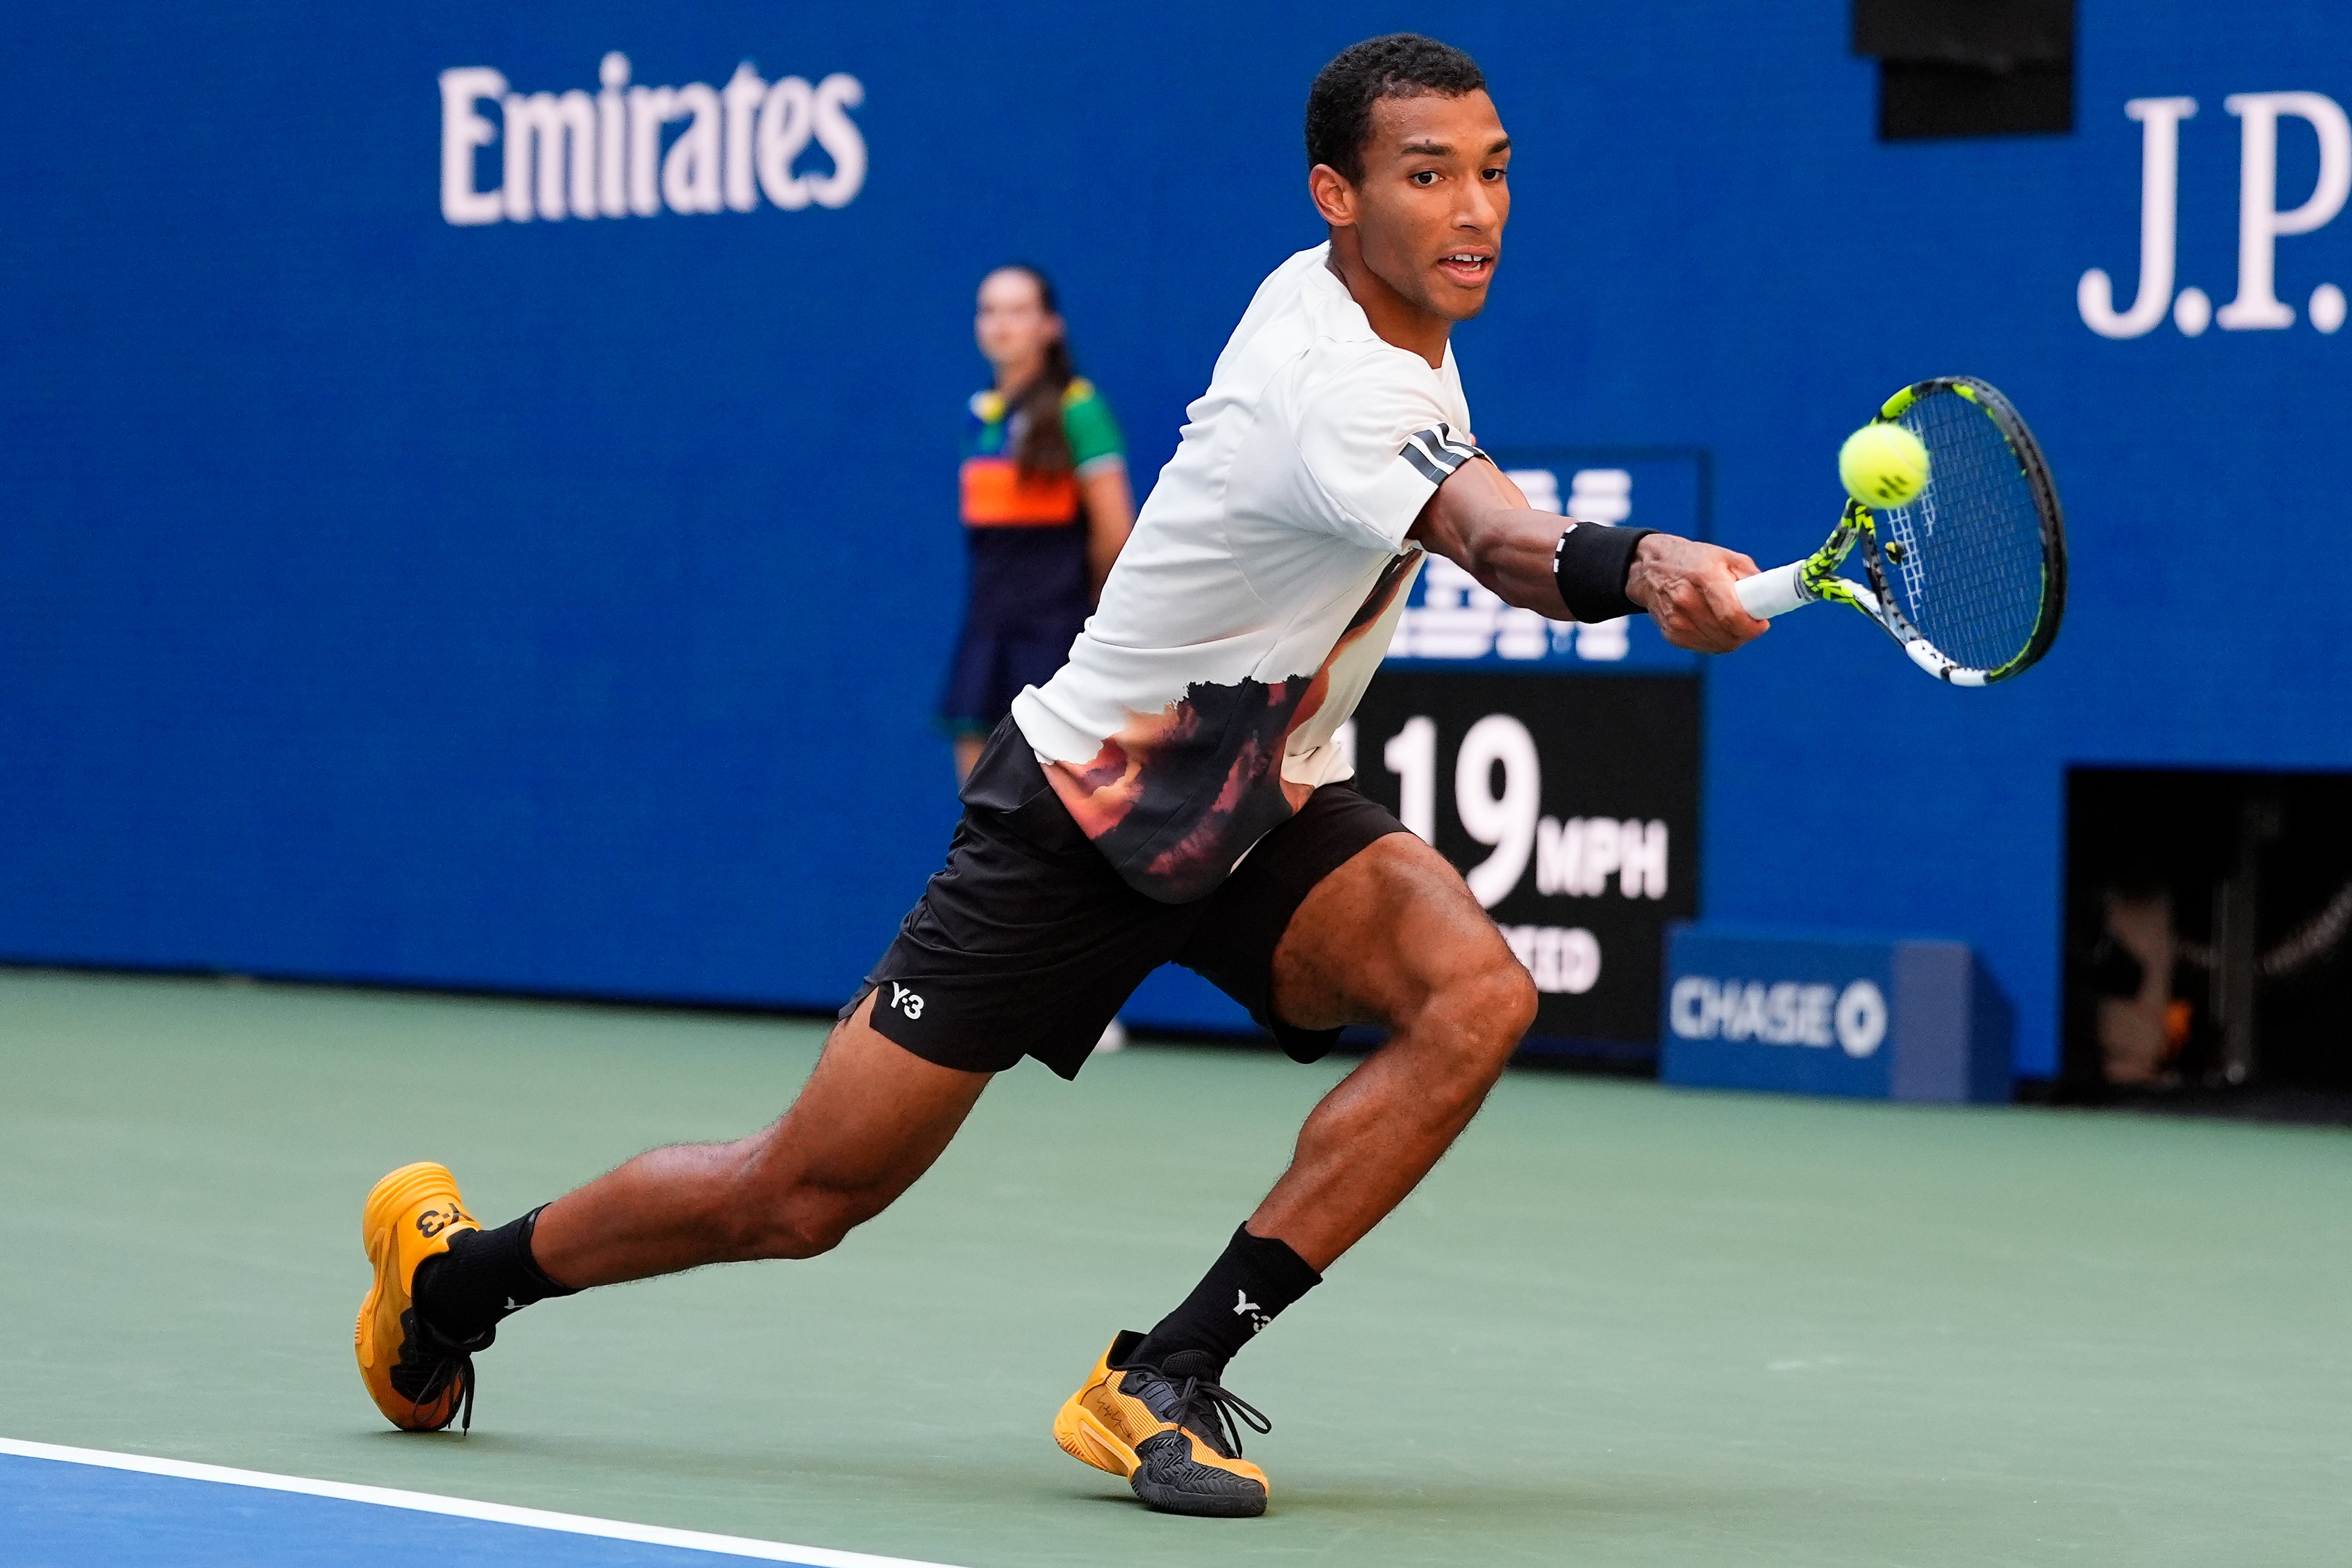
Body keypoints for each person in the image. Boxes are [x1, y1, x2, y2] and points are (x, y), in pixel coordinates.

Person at [354, 33, 1764, 1520]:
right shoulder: (1325, 373)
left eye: (1490, 172)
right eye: (1426, 177)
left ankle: (1161, 1372)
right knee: (800, 1194)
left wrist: (1628, 565)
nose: (1472, 209)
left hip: (1259, 794)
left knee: (1472, 993)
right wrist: (1644, 559)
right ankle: (453, 1278)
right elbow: (1493, 540)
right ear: (1334, 197)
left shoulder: (1405, 318)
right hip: (1086, 808)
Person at [940, 265, 1135, 785]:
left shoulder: (1081, 410)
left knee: (1055, 794)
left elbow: (1115, 532)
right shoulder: (980, 416)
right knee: (977, 797)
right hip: (988, 626)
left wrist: (1084, 612)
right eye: (990, 310)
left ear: (1050, 326)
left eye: (1019, 310)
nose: (1002, 324)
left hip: (1056, 634)